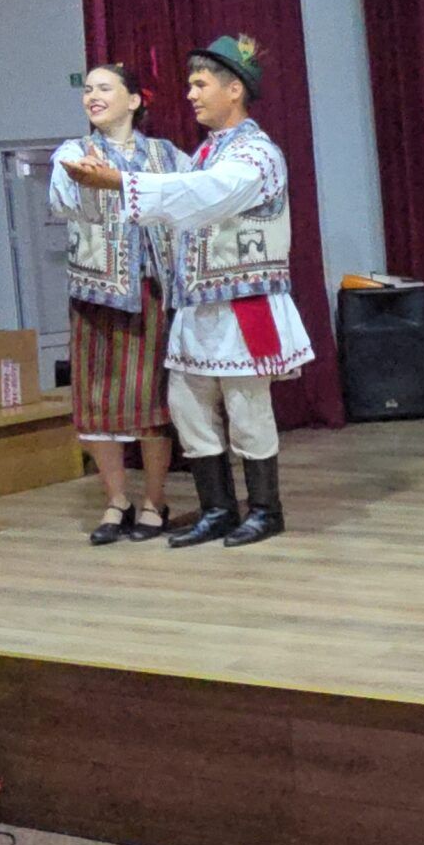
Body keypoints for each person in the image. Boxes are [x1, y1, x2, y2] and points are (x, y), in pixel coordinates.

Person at [63, 34, 312, 549]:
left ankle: (265, 510)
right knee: (189, 408)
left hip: (243, 303)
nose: (191, 95)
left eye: (201, 84)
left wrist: (121, 183)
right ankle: (218, 509)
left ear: (234, 88)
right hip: (197, 305)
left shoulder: (256, 154)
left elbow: (204, 195)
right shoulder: (202, 153)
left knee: (246, 411)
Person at [47, 63, 178, 545]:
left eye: (104, 88)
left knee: (151, 401)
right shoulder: (73, 152)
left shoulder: (166, 155)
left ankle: (155, 501)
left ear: (134, 100)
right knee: (97, 400)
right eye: (87, 89)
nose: (93, 96)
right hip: (96, 295)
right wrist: (81, 180)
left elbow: (192, 202)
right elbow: (61, 203)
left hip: (150, 292)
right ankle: (116, 499)